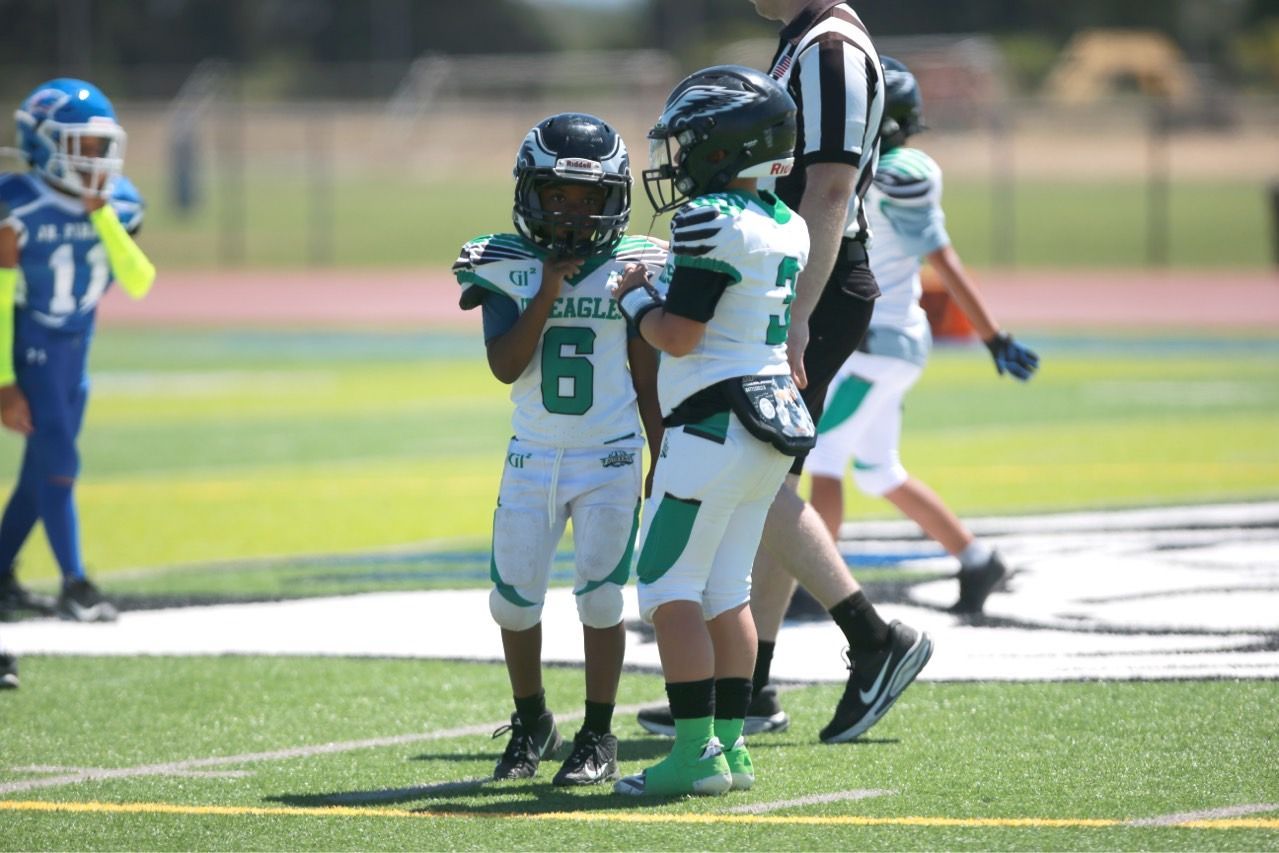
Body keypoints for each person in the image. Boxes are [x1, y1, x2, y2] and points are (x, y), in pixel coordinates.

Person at [637, 0, 932, 746]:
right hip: (804, 274)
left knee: (754, 474)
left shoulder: (829, 49)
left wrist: (796, 311)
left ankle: (872, 637)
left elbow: (829, 188)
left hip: (813, 280)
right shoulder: (806, 35)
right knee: (771, 477)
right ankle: (754, 679)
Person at [611, 64, 813, 797]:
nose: (674, 158)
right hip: (765, 430)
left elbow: (680, 335)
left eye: (688, 142)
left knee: (667, 591)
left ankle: (693, 755)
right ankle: (729, 747)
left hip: (707, 429)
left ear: (723, 149)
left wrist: (635, 296)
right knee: (727, 592)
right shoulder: (786, 224)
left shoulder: (708, 219)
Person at [452, 113, 666, 786]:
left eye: (587, 198)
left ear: (614, 200)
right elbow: (505, 365)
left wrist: (663, 459)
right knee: (513, 602)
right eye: (557, 195)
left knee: (602, 600)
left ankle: (597, 731)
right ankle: (531, 719)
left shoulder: (636, 264)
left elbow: (644, 374)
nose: (571, 212)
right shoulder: (506, 264)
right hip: (532, 455)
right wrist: (547, 289)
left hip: (609, 456)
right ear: (529, 193)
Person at [807, 56, 1040, 613]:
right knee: (880, 471)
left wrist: (992, 335)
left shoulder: (899, 171)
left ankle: (812, 582)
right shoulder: (869, 168)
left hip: (875, 344)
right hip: (884, 342)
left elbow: (945, 259)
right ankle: (978, 559)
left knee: (820, 457)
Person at [0, 78, 155, 623]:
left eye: (99, 146)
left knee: (39, 471)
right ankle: (75, 582)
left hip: (78, 347)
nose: (94, 159)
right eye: (81, 146)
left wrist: (99, 213)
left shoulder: (119, 203)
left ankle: (0, 576)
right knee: (61, 461)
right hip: (34, 344)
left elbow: (138, 281)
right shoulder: (18, 205)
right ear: (43, 144)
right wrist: (2, 381)